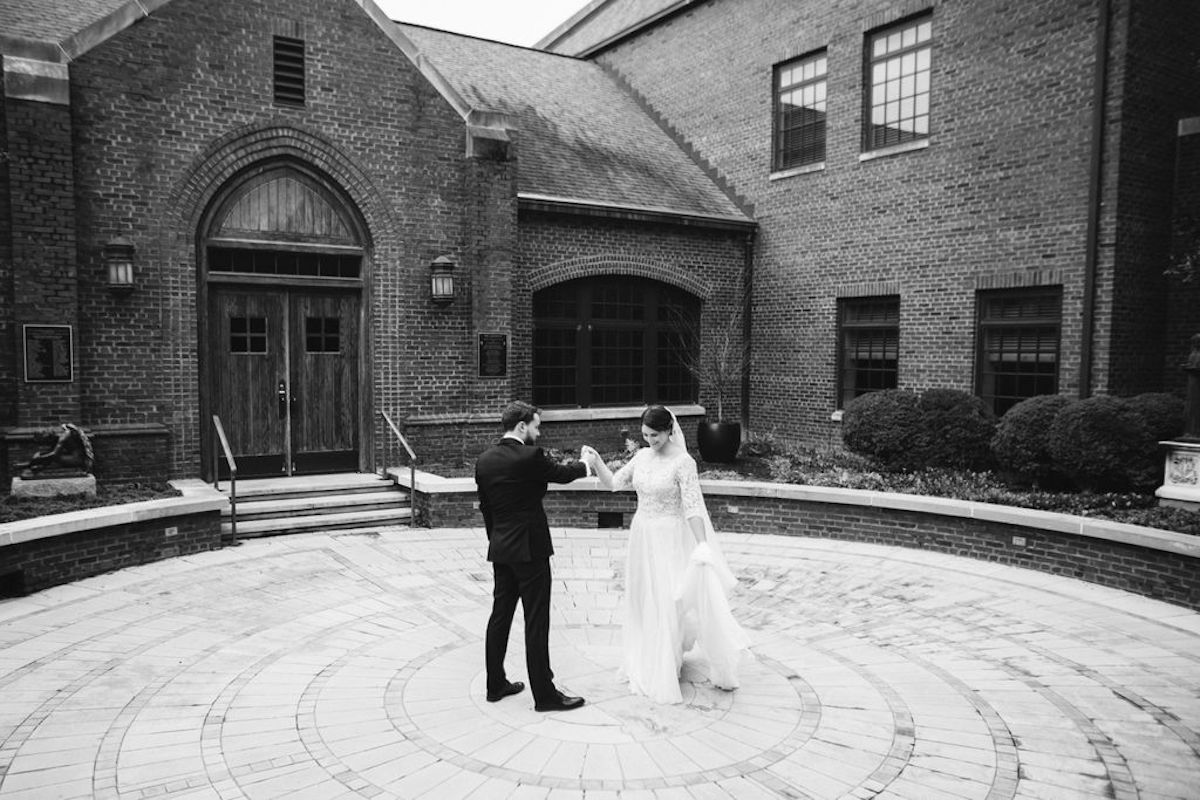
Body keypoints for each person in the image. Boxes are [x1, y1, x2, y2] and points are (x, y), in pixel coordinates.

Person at [581, 405, 750, 704]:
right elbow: (614, 484)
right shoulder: (642, 456)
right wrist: (596, 462)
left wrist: (702, 545)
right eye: (645, 435)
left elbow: (693, 505)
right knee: (644, 597)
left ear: (670, 430)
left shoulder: (683, 462)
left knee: (667, 599)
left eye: (655, 435)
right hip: (642, 535)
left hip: (669, 537)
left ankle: (667, 662)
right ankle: (648, 657)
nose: (650, 441)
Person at [475, 401, 589, 712]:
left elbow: (486, 508)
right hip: (531, 550)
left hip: (501, 548)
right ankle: (545, 695)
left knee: (500, 616)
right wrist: (586, 464)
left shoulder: (484, 460)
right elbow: (562, 474)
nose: (538, 433)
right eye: (536, 426)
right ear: (522, 426)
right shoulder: (529, 456)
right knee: (536, 621)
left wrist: (497, 540)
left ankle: (495, 684)